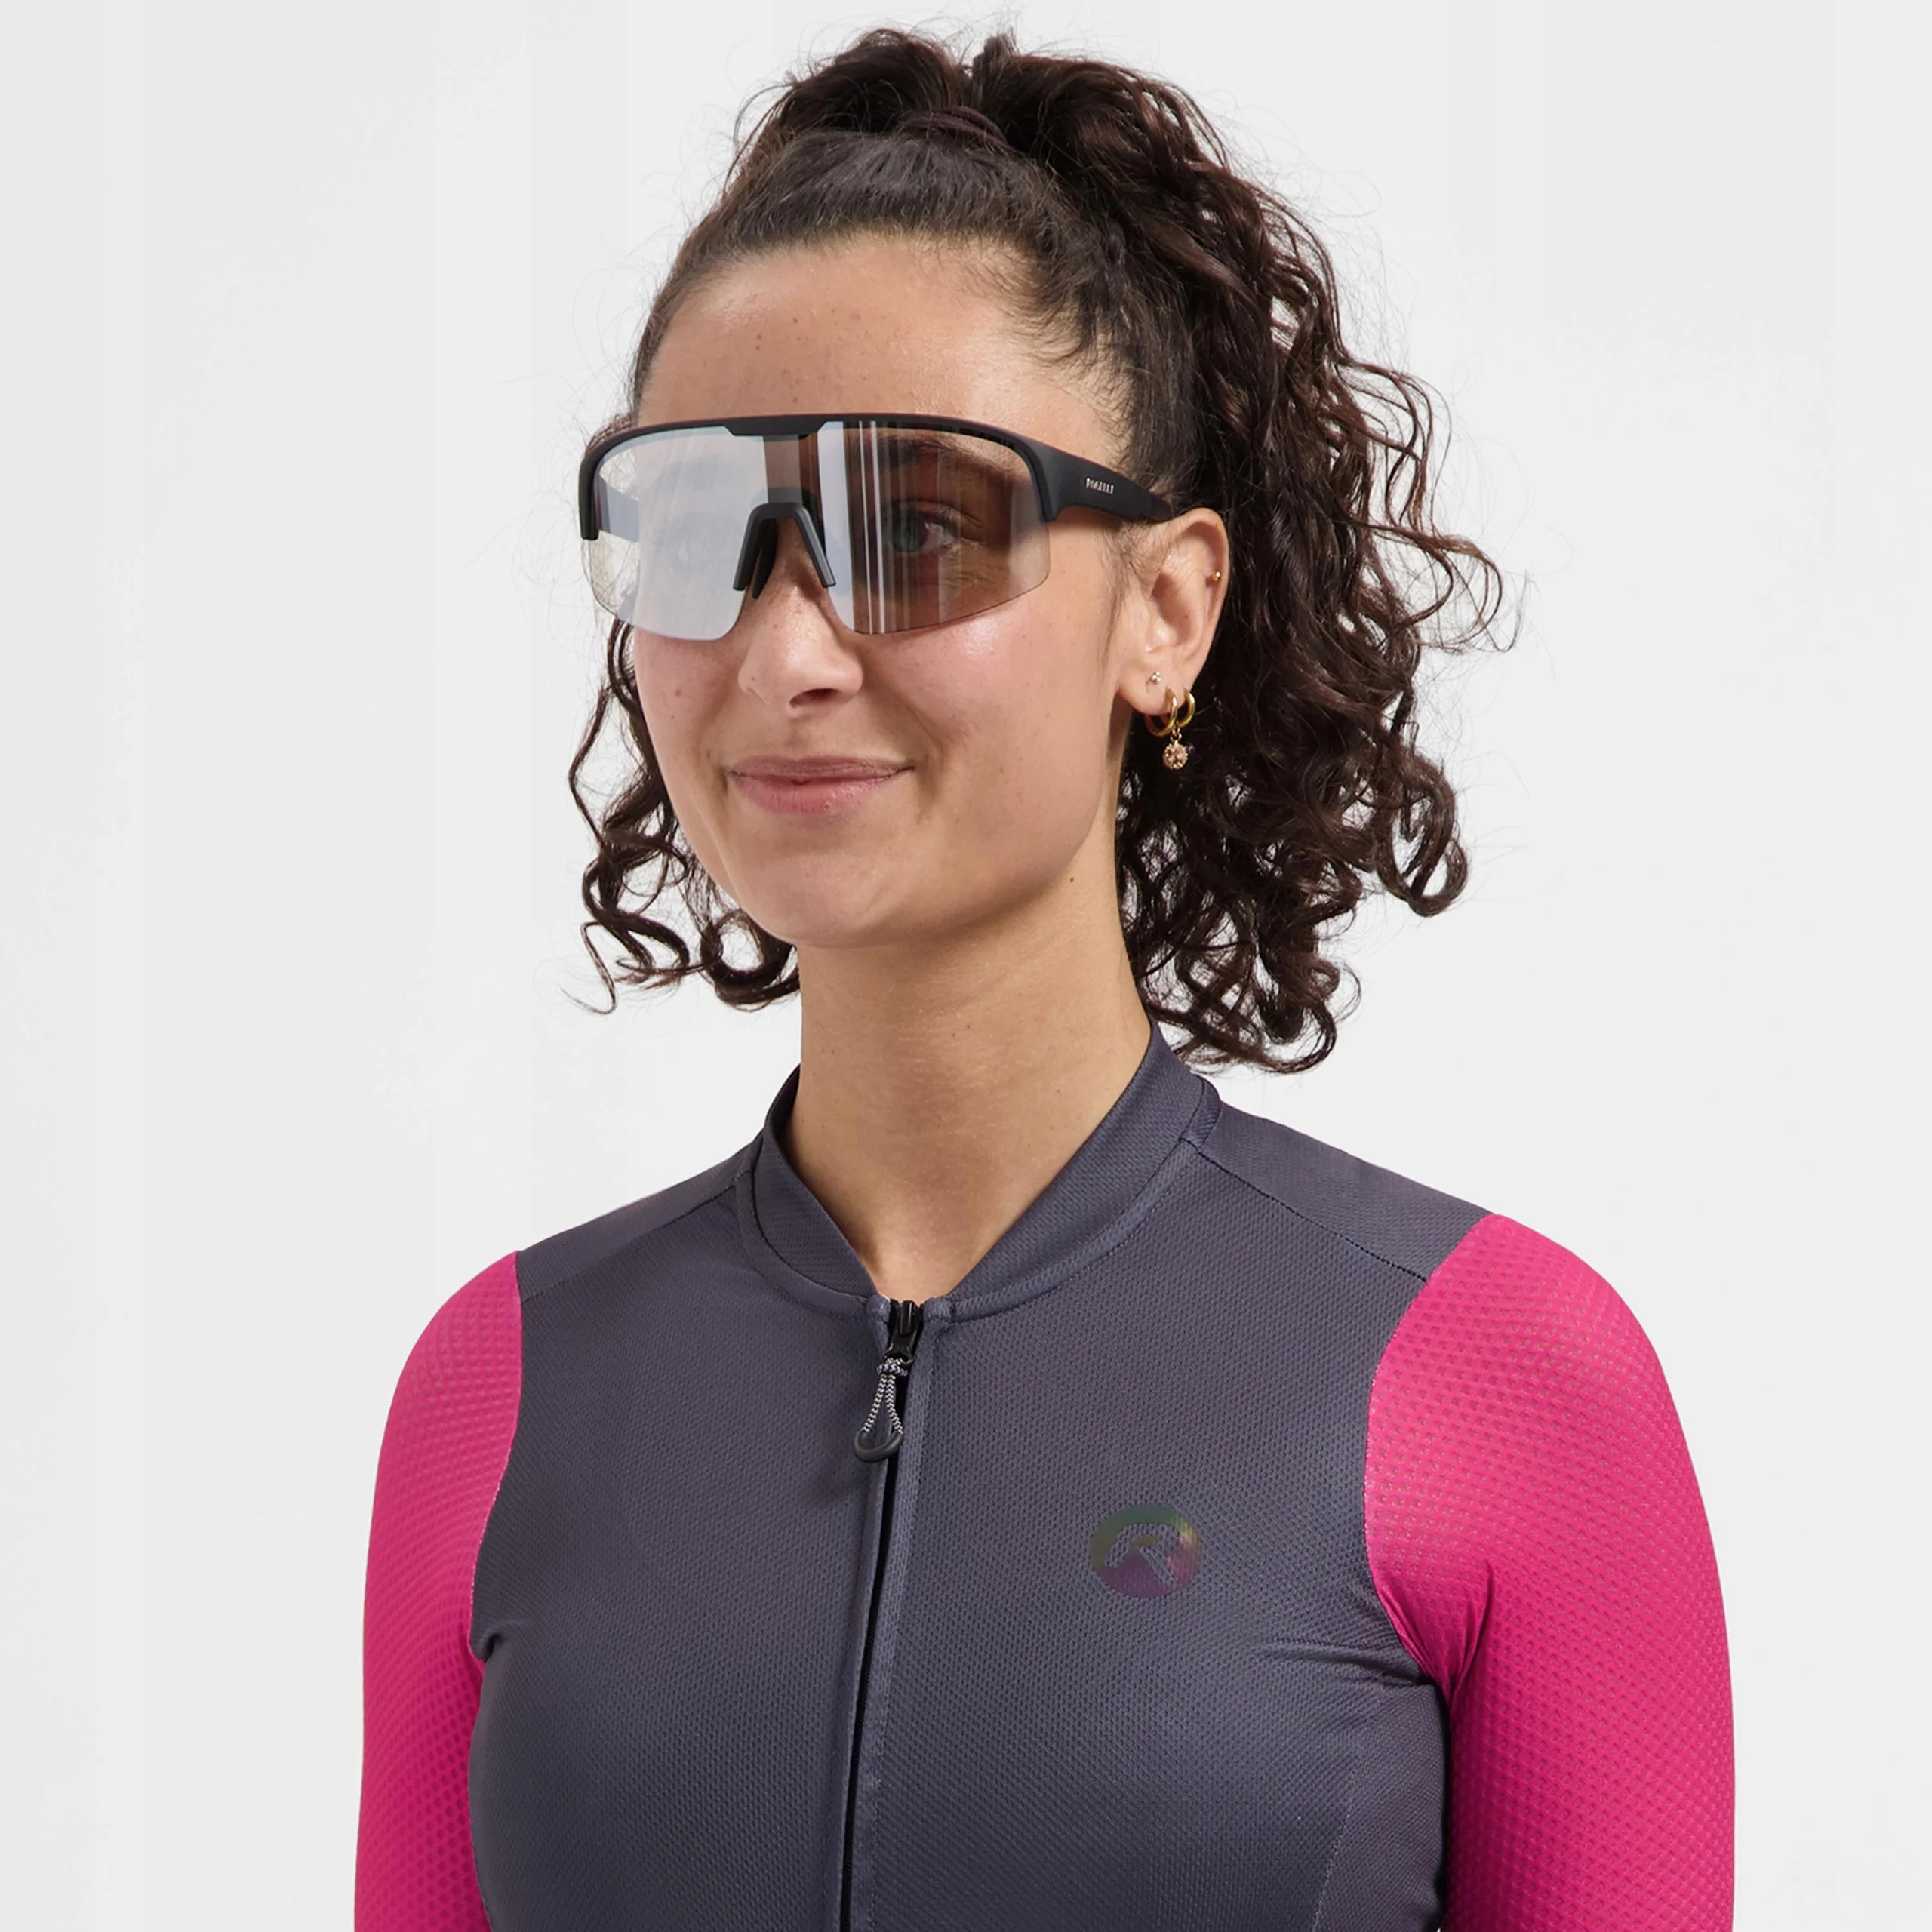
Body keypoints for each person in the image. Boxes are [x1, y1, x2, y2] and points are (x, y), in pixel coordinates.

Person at [355, 26, 1733, 1931]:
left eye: (916, 526)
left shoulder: (1498, 1374)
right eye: (696, 532)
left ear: (1164, 607)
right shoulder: (498, 1387)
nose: (784, 652)